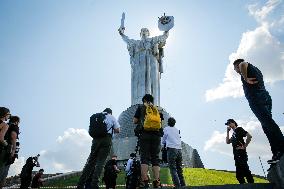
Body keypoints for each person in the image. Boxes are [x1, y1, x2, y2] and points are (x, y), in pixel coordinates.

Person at [233, 59, 284, 163]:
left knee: (268, 124)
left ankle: (282, 148)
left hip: (257, 100)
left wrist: (245, 78)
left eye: (235, 68)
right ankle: (276, 153)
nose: (235, 70)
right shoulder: (256, 70)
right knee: (266, 126)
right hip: (265, 98)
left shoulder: (244, 65)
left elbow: (243, 64)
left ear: (237, 66)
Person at [118, 15, 170, 106]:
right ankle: (138, 102)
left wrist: (166, 27)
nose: (144, 32)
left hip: (151, 61)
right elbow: (127, 40)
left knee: (151, 81)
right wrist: (122, 33)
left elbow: (164, 36)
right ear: (140, 34)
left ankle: (152, 102)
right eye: (142, 31)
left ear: (148, 33)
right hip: (139, 63)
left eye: (145, 31)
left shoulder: (153, 40)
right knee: (139, 83)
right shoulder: (136, 43)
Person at [76, 108, 120, 189]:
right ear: (110, 112)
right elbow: (117, 130)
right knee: (100, 162)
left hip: (95, 140)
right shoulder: (111, 117)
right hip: (106, 139)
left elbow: (91, 130)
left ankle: (80, 184)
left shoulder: (96, 116)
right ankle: (94, 183)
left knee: (90, 163)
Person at [133, 94, 163, 188]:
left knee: (144, 157)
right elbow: (161, 123)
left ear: (144, 100)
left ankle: (144, 180)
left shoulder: (141, 107)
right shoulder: (158, 109)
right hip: (156, 135)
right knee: (155, 158)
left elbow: (135, 121)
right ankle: (157, 181)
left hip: (144, 134)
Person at [225, 119, 254, 184]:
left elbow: (249, 136)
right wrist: (227, 132)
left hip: (241, 153)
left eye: (229, 123)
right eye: (227, 124)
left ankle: (251, 184)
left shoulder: (239, 129)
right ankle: (243, 185)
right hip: (236, 156)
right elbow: (227, 142)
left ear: (233, 123)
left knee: (245, 170)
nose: (228, 125)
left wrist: (244, 146)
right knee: (239, 175)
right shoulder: (233, 135)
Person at [162, 117, 185, 188]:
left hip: (171, 149)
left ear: (168, 122)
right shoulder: (177, 130)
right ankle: (183, 185)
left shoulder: (166, 129)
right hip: (179, 150)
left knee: (172, 168)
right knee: (179, 169)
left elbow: (163, 139)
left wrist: (162, 145)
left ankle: (177, 186)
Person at [0, 116, 20, 188]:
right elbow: (13, 136)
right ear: (17, 121)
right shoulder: (14, 126)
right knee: (2, 174)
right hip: (6, 151)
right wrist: (13, 151)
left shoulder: (5, 125)